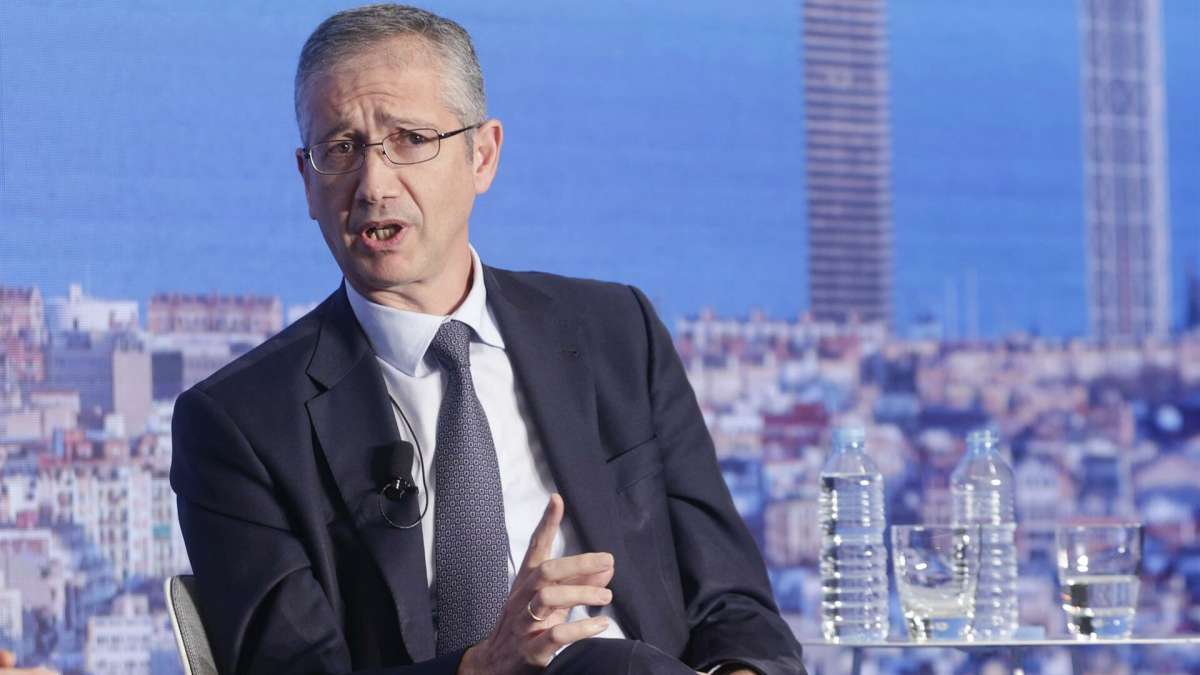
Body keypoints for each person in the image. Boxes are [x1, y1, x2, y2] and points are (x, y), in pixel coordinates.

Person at [170, 4, 806, 674]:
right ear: (307, 181)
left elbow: (737, 608)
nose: (373, 184)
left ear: (483, 156)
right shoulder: (242, 422)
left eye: (410, 139)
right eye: (341, 149)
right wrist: (485, 665)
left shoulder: (618, 332)